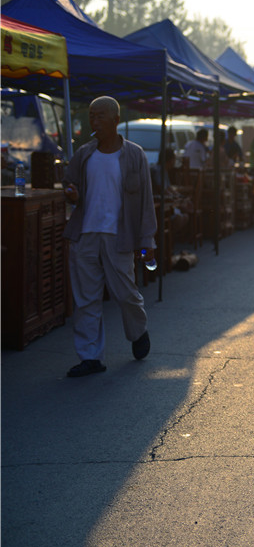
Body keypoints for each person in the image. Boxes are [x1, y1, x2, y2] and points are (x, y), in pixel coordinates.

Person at [61, 96, 156, 377]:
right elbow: (70, 184)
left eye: (100, 116)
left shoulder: (134, 155)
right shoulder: (84, 154)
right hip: (85, 235)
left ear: (116, 120)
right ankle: (91, 357)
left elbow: (146, 203)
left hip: (119, 237)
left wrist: (147, 242)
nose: (95, 121)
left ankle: (138, 331)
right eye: (92, 116)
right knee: (86, 299)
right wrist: (73, 193)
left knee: (126, 294)